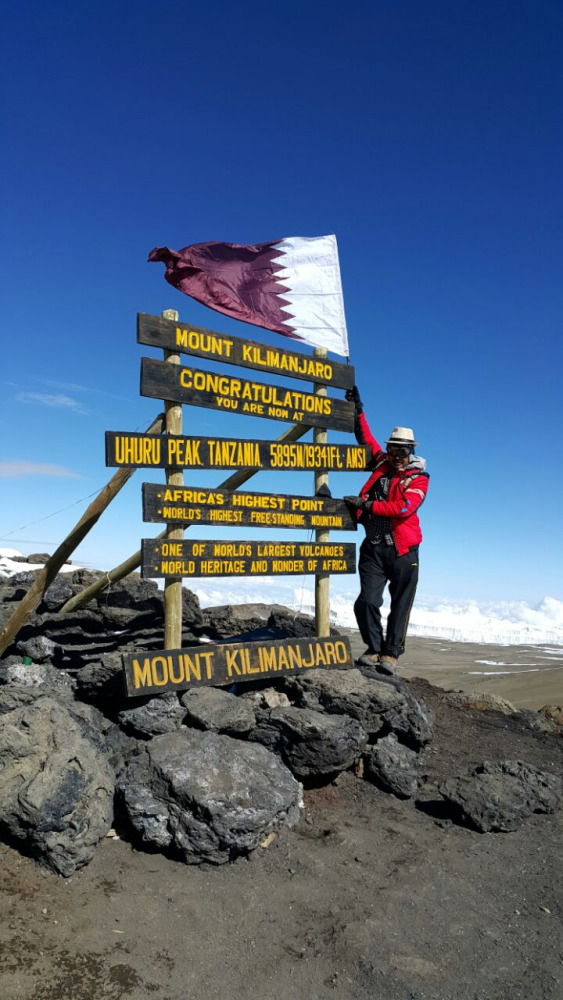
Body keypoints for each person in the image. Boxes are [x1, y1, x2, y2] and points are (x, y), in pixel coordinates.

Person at [344, 385, 429, 674]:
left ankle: (391, 654)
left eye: (402, 451)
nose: (396, 455)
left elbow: (403, 509)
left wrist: (365, 506)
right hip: (373, 547)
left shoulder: (419, 479)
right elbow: (365, 438)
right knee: (366, 600)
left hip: (404, 551)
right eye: (392, 449)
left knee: (400, 605)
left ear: (411, 452)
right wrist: (358, 409)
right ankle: (374, 648)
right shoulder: (381, 463)